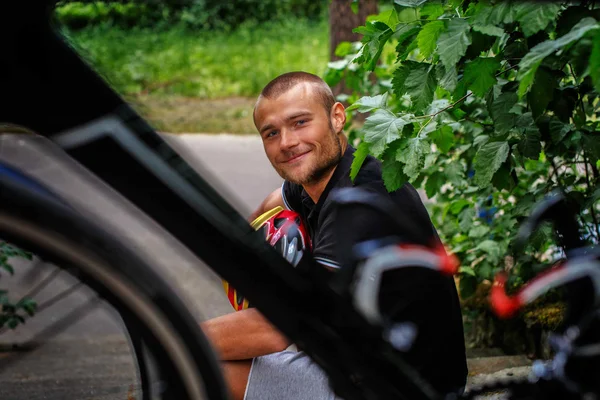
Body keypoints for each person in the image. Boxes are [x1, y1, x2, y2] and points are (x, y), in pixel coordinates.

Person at [200, 71, 467, 400]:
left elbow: (279, 326)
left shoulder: (360, 201)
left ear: (337, 117)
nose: (287, 142)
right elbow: (274, 201)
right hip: (363, 359)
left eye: (300, 122)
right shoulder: (324, 177)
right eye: (271, 133)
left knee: (201, 368)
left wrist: (178, 333)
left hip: (402, 387)